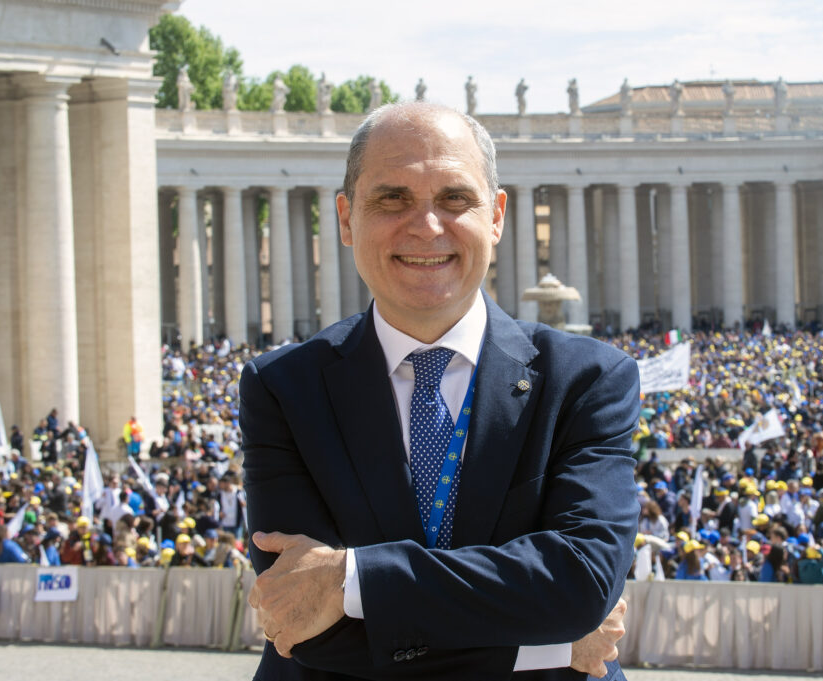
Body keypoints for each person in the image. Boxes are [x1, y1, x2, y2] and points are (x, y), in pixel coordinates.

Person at [242, 102, 639, 680]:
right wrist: (551, 647)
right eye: (392, 198)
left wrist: (350, 580)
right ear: (347, 219)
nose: (427, 226)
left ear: (496, 216)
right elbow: (303, 625)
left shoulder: (590, 378)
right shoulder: (281, 386)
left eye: (455, 199)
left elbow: (580, 584)